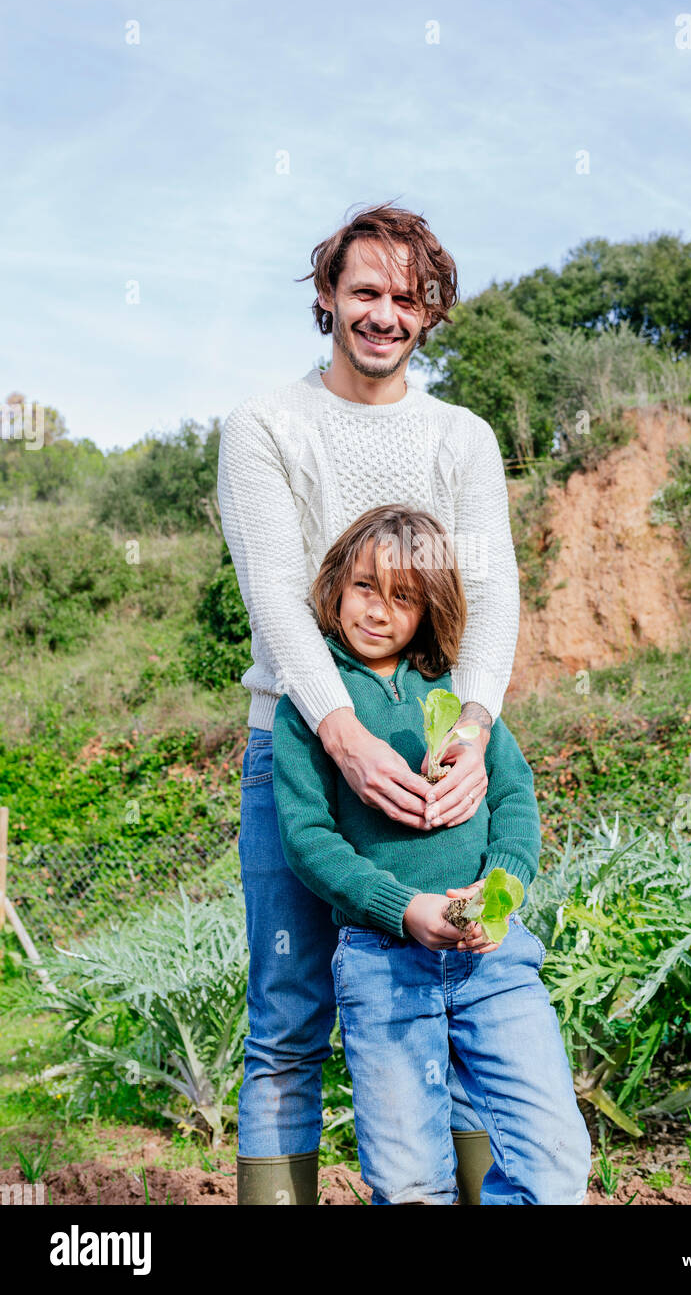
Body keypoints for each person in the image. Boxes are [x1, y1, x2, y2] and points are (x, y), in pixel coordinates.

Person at [217, 200, 522, 1203]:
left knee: (468, 996)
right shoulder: (265, 426)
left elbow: (491, 594)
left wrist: (473, 728)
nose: (384, 313)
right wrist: (341, 735)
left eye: (407, 296)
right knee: (288, 1019)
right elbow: (274, 595)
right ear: (326, 299)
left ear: (430, 312)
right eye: (365, 292)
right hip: (296, 750)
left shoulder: (462, 438)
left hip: (436, 760)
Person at [271, 504, 592, 1205]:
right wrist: (403, 908)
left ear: (430, 608)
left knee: (553, 1160)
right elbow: (307, 840)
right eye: (363, 587)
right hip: (381, 966)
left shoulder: (459, 691)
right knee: (409, 1183)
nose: (379, 612)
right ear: (334, 585)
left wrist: (497, 895)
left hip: (495, 961)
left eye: (403, 596)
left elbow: (514, 804)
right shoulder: (309, 706)